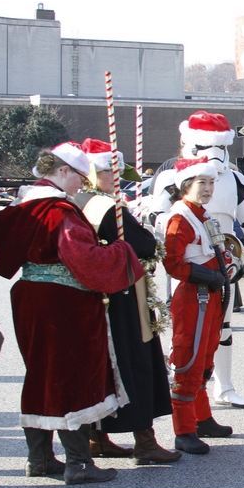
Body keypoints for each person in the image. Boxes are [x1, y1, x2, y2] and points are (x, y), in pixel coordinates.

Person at [0, 142, 143, 485]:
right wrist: (120, 251)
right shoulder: (58, 212)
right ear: (63, 172)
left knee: (41, 374)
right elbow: (85, 260)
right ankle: (80, 463)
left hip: (30, 297)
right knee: (70, 375)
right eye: (78, 176)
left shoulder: (21, 206)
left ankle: (41, 458)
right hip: (63, 303)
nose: (82, 184)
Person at [151, 111, 244, 409]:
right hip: (184, 262)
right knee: (183, 327)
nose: (208, 185)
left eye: (220, 148)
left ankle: (223, 386)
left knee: (222, 325)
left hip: (224, 260)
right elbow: (156, 217)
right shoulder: (173, 178)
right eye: (208, 148)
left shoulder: (233, 178)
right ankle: (179, 384)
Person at [75, 139, 180, 465]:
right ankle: (144, 441)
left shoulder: (79, 201)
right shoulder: (110, 209)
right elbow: (145, 245)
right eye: (109, 170)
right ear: (93, 172)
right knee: (136, 363)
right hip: (122, 299)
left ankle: (97, 436)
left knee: (102, 367)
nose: (116, 176)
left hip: (93, 298)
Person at [162, 157, 236, 455]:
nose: (208, 188)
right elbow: (173, 262)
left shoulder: (202, 215)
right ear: (186, 185)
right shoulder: (180, 218)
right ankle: (183, 429)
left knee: (206, 358)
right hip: (194, 298)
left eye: (211, 183)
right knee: (189, 359)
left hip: (210, 295)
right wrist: (210, 275)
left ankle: (202, 417)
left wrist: (230, 268)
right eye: (201, 183)